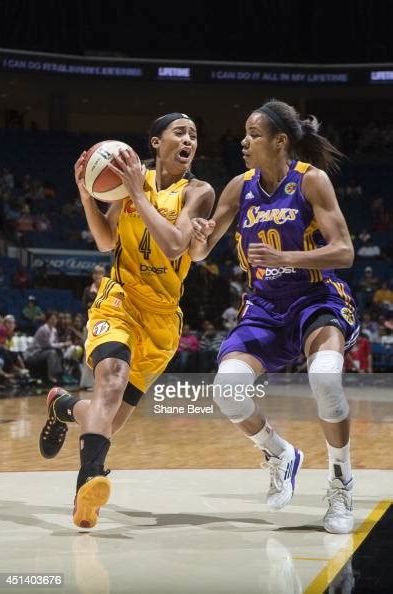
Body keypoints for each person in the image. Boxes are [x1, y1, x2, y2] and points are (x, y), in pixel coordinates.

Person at [190, 99, 359, 534]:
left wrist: (287, 256)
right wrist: (199, 236)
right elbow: (199, 253)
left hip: (315, 298)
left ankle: (341, 483)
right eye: (245, 135)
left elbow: (344, 251)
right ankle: (280, 453)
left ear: (280, 141)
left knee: (324, 377)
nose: (244, 142)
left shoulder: (311, 181)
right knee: (227, 391)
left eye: (254, 134)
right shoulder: (237, 187)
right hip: (264, 307)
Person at [39, 113, 214, 528]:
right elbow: (105, 241)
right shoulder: (126, 179)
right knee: (111, 382)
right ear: (156, 142)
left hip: (161, 320)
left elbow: (174, 246)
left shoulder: (198, 192)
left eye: (193, 134)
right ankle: (89, 485)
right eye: (179, 132)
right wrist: (87, 194)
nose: (188, 139)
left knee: (108, 418)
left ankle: (63, 406)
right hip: (118, 299)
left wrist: (138, 193)